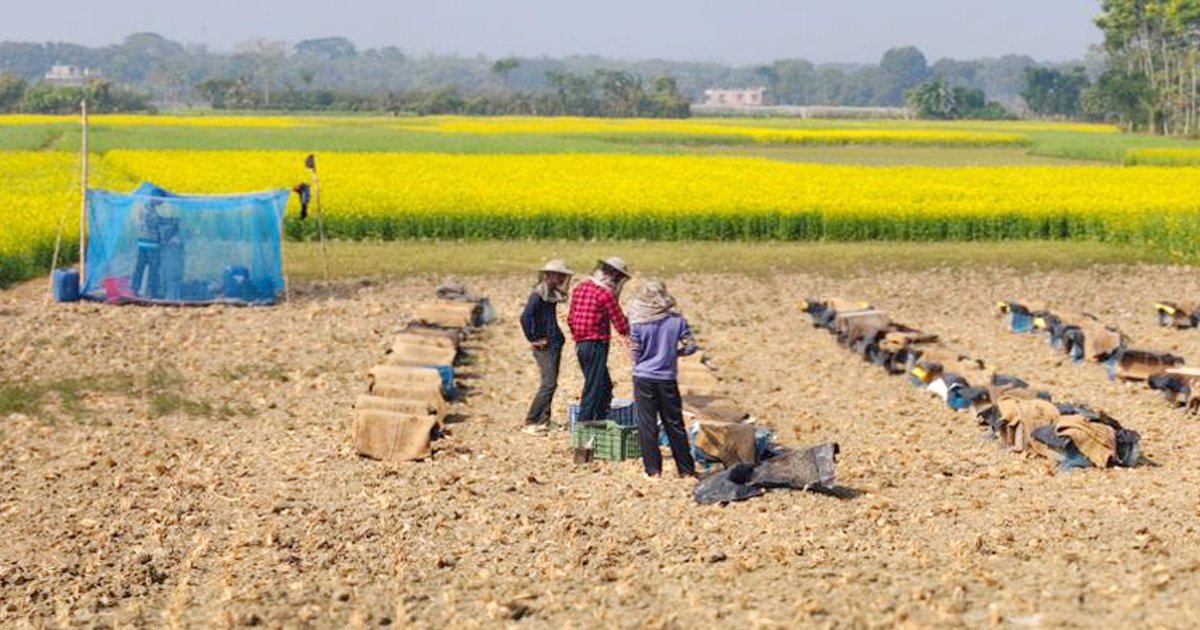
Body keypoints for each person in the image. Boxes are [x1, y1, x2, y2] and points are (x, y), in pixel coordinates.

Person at [628, 280, 697, 479]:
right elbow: (691, 346)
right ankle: (686, 469)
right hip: (667, 378)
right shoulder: (677, 321)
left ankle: (653, 471)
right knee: (674, 424)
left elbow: (635, 354)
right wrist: (675, 353)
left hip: (643, 378)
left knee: (647, 425)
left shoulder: (639, 323)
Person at [568, 256, 631, 424]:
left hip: (581, 344)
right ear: (615, 277)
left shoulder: (580, 288)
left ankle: (601, 420)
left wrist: (579, 336)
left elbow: (570, 318)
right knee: (593, 388)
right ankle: (584, 429)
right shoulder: (605, 294)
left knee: (604, 385)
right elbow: (621, 325)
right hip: (596, 344)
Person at [519, 259, 575, 435]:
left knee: (552, 383)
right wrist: (533, 338)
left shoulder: (549, 293)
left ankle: (544, 420)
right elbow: (525, 317)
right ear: (550, 275)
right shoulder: (538, 294)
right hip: (545, 346)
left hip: (553, 342)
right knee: (548, 383)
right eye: (559, 275)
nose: (562, 279)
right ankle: (531, 421)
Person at [131, 193, 166, 298]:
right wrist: (170, 221)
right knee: (154, 269)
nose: (162, 202)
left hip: (143, 243)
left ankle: (135, 289)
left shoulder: (147, 208)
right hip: (151, 244)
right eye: (161, 200)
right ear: (155, 199)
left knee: (140, 267)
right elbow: (155, 222)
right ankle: (152, 292)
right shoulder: (148, 209)